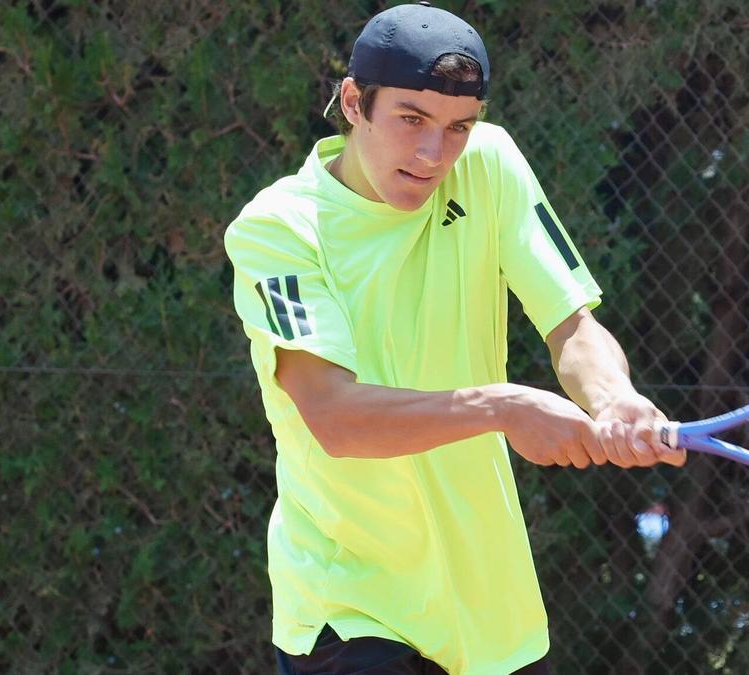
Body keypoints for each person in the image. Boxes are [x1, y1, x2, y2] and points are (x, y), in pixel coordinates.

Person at [223, 3, 686, 673]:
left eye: (458, 127)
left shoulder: (490, 164)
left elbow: (571, 323)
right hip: (350, 610)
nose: (434, 154)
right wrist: (502, 407)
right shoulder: (278, 230)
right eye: (411, 119)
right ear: (353, 103)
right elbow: (334, 417)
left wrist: (613, 397)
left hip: (492, 616)